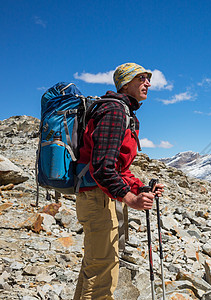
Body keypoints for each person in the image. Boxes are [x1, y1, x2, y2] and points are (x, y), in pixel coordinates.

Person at [73, 63, 164, 299]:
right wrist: (130, 197)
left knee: (95, 266)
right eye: (141, 78)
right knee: (102, 272)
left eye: (148, 78)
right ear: (125, 83)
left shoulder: (123, 112)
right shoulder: (114, 111)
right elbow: (102, 167)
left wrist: (140, 188)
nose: (148, 83)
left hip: (99, 196)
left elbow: (117, 167)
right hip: (97, 197)